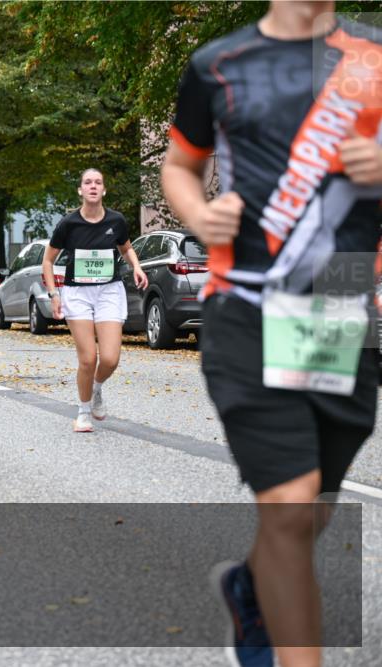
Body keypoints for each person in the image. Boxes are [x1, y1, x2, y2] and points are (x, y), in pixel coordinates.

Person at [161, 4, 381, 667]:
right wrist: (200, 213)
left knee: (310, 509)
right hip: (247, 301)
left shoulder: (373, 56)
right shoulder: (216, 65)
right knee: (289, 504)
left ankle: (250, 586)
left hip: (338, 300)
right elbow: (179, 164)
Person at [41, 169, 147, 433]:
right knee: (88, 358)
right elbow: (48, 260)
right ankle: (83, 411)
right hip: (77, 292)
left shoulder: (116, 220)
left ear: (104, 190)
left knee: (109, 359)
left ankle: (96, 387)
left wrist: (136, 266)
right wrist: (54, 294)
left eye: (98, 182)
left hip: (109, 291)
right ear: (80, 190)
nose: (92, 186)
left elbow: (126, 247)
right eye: (87, 182)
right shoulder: (68, 224)